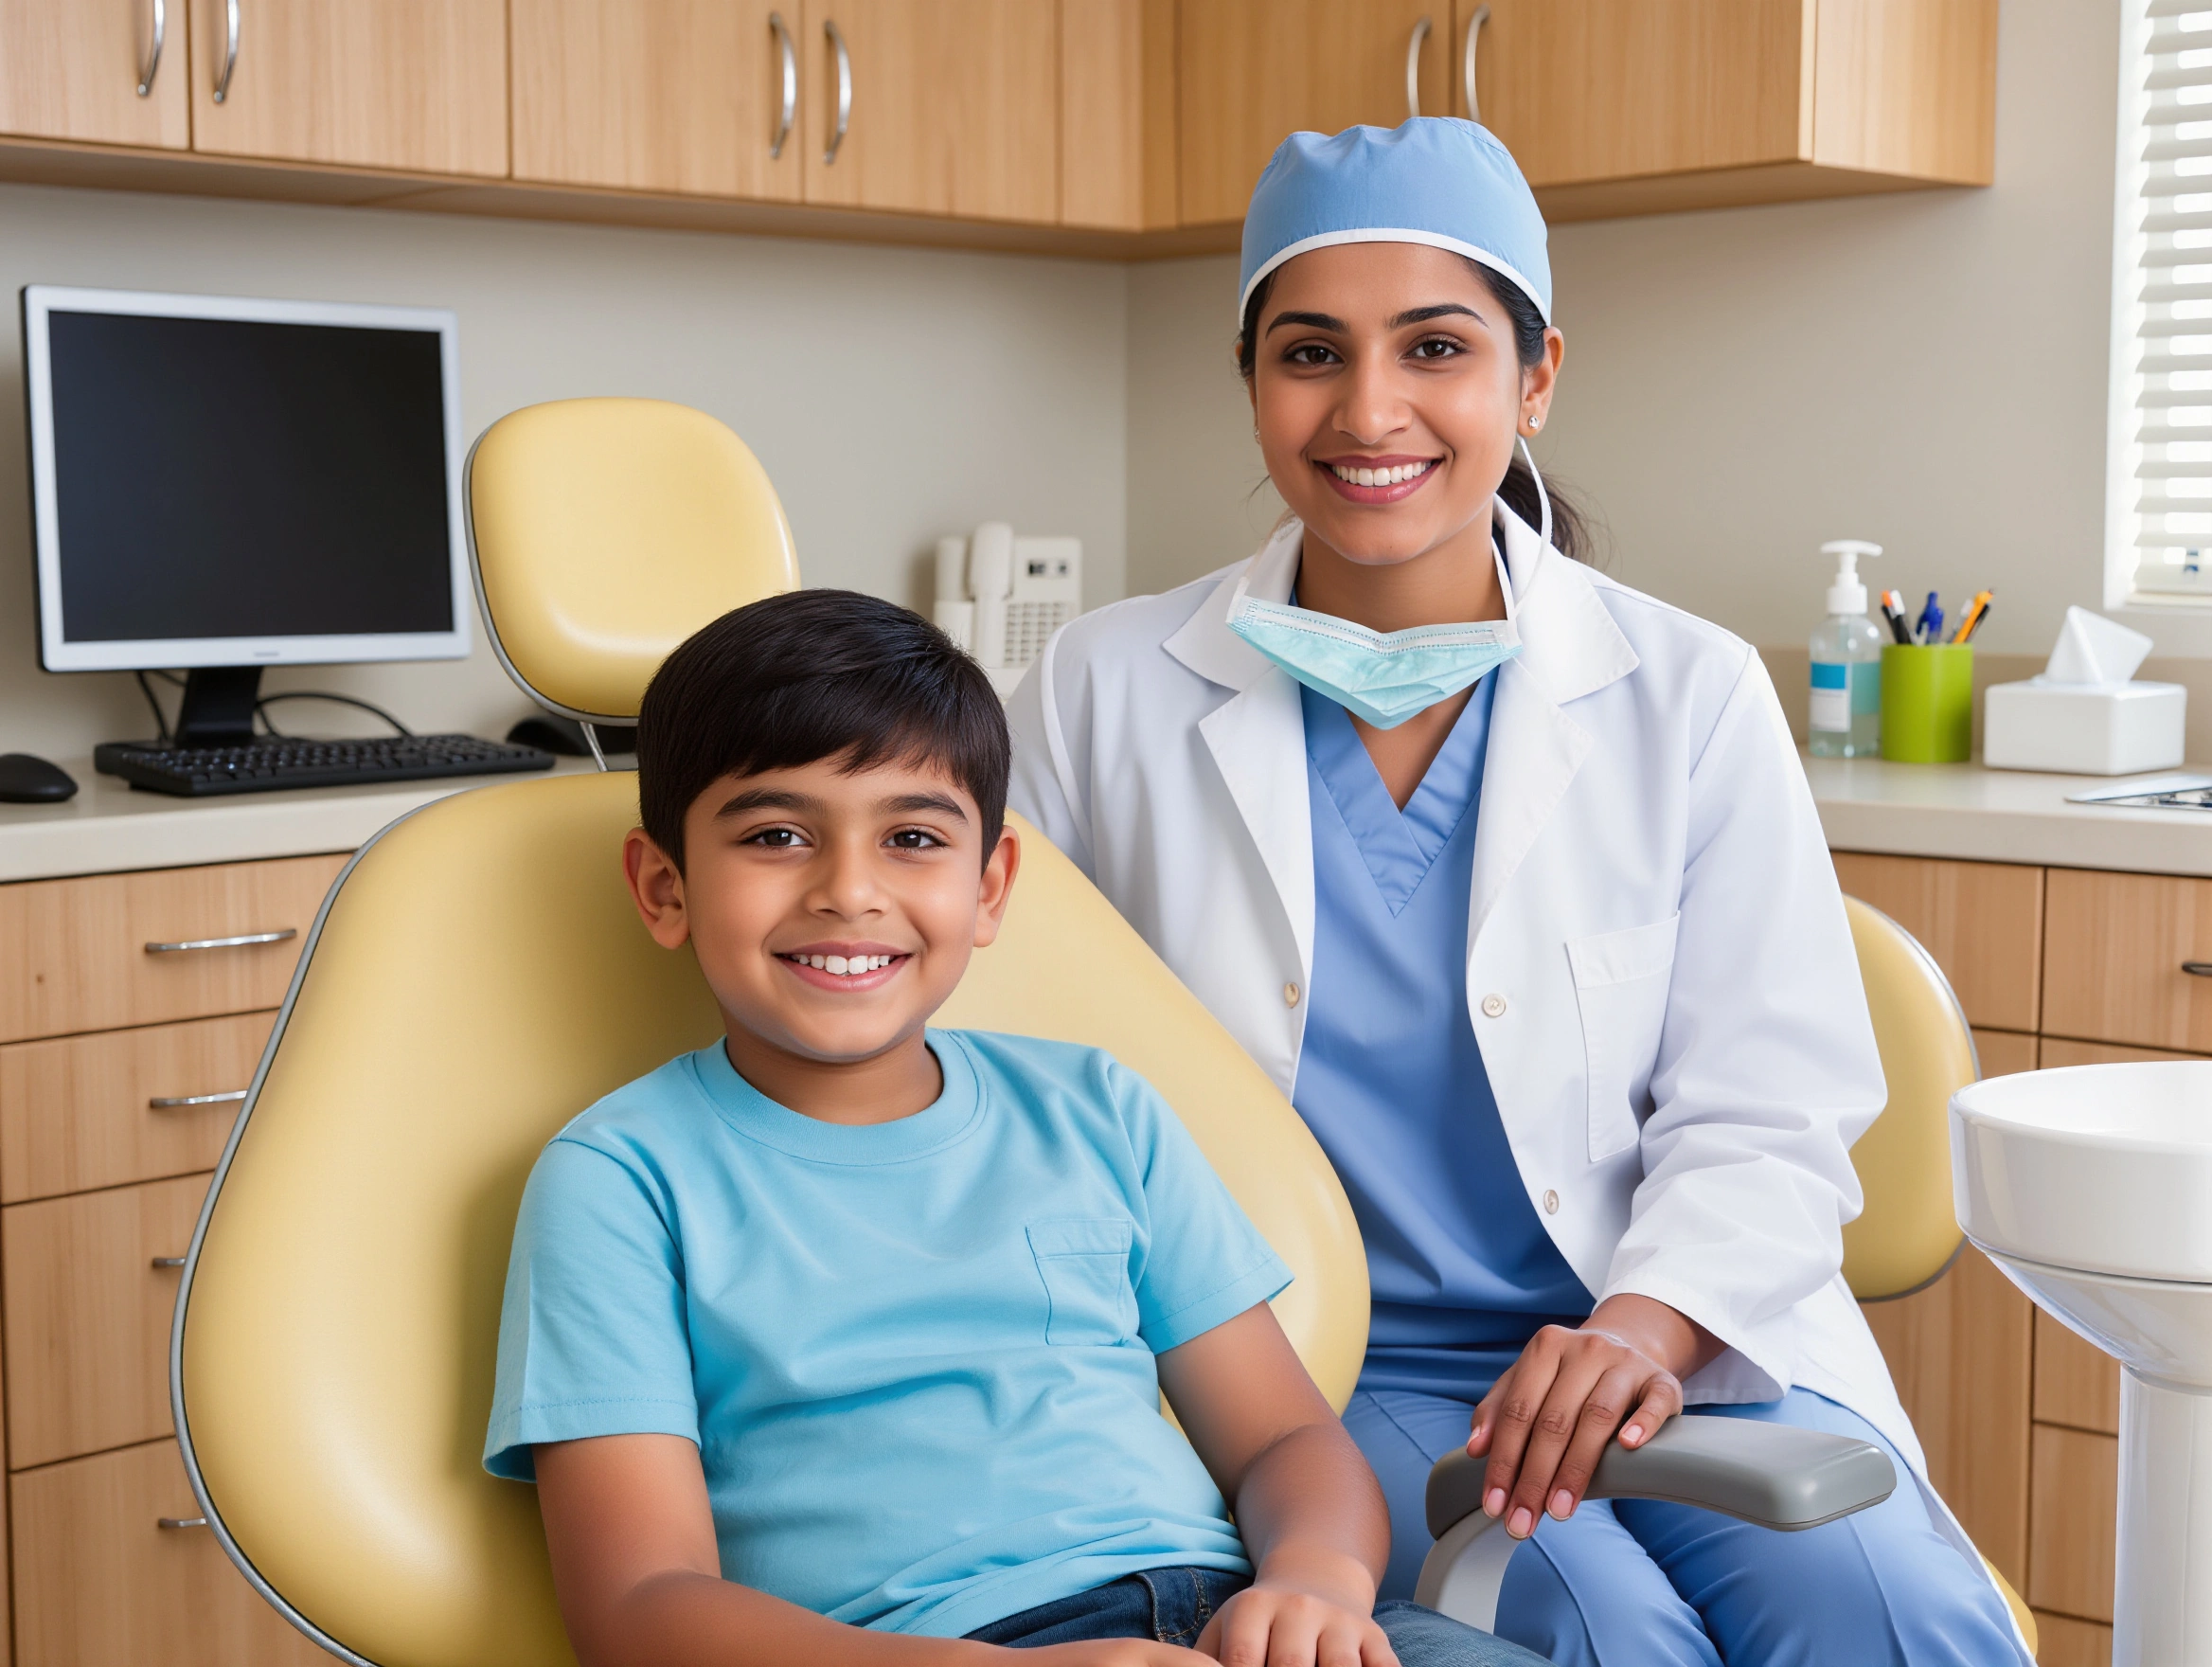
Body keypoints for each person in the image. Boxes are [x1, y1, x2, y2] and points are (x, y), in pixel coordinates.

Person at [1006, 119, 2031, 1666]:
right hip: (1317, 1374)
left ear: (1535, 376)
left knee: (1885, 1613)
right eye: (1308, 353)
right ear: (1248, 378)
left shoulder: (1684, 690)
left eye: (1436, 348)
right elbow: (1025, 1076)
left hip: (1670, 1334)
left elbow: (1771, 1101)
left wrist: (1642, 1326)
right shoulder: (1099, 689)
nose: (1369, 411)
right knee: (1596, 1629)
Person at [482, 590, 1543, 1667]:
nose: (848, 890)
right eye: (775, 834)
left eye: (910, 837)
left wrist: (1314, 1578)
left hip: (1236, 1625)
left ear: (988, 887)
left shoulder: (1097, 1108)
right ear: (665, 888)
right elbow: (641, 1605)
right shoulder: (619, 1179)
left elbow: (1282, 1436)